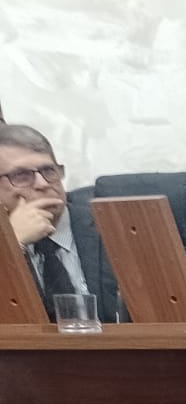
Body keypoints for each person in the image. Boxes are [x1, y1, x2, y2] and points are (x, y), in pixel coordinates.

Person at [0, 124, 115, 320]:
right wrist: (12, 245)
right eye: (21, 175)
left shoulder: (112, 229)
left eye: (48, 170)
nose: (43, 183)